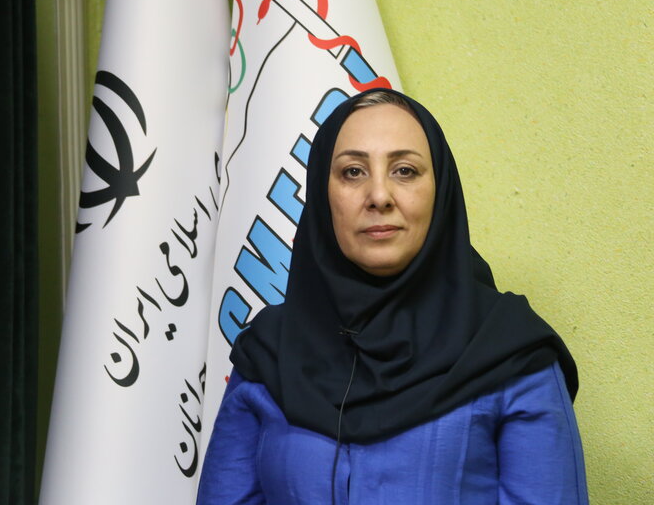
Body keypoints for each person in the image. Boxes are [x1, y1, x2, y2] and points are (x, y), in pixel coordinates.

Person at [197, 89, 588, 504]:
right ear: (321, 194)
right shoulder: (270, 350)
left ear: (440, 190)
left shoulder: (508, 350)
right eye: (352, 172)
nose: (379, 196)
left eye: (404, 170)